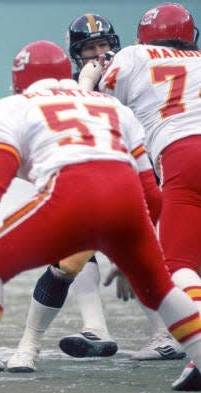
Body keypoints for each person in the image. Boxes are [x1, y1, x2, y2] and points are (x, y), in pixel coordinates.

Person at [0, 39, 201, 393]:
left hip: (69, 193)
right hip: (126, 200)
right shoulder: (111, 106)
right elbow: (151, 192)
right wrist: (135, 247)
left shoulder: (11, 107)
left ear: (18, 82)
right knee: (163, 292)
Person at [6, 13, 183, 372]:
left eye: (104, 46)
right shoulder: (74, 88)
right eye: (90, 49)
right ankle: (97, 329)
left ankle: (164, 334)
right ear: (76, 55)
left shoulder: (134, 74)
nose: (99, 54)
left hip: (152, 176)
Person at [84, 2, 201, 390]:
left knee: (178, 266)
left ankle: (198, 353)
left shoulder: (134, 56)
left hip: (184, 155)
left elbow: (95, 106)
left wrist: (86, 81)